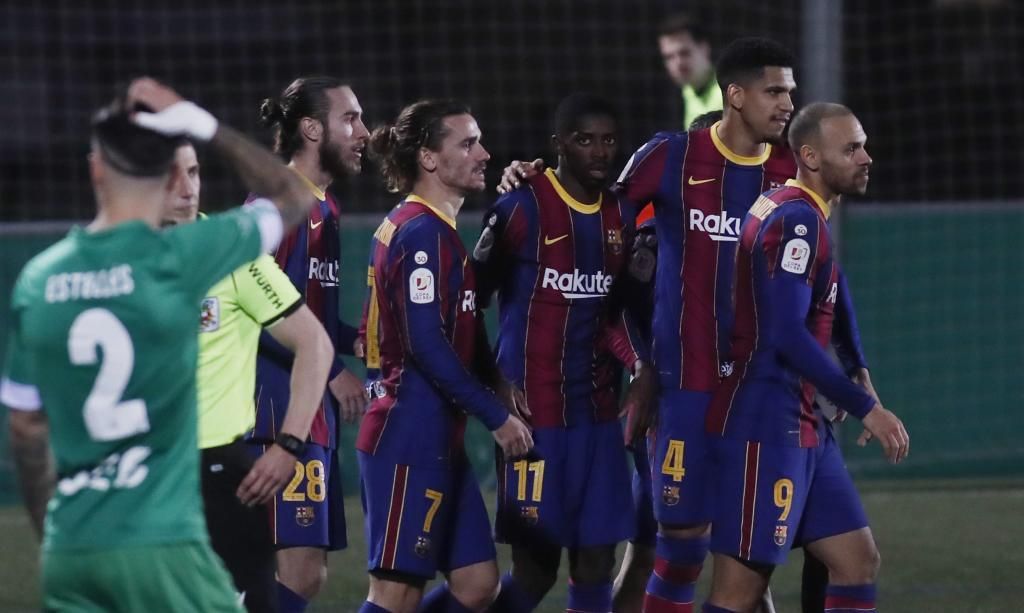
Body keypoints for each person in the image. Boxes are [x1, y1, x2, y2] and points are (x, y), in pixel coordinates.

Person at [499, 38, 799, 612]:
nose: (786, 103)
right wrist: (538, 181)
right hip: (671, 390)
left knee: (747, 555)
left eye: (790, 92)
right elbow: (596, 210)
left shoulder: (790, 171)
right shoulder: (666, 166)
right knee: (666, 545)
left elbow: (823, 276)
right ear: (735, 100)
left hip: (759, 393)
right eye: (775, 91)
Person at [1, 77, 314, 612]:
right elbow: (293, 195)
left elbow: (26, 427)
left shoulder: (39, 279)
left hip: (73, 548)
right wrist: (200, 123)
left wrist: (54, 531)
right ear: (168, 176)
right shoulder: (184, 258)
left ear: (96, 169)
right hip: (162, 541)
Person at [701, 102, 910, 613]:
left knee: (856, 561)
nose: (866, 158)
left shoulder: (792, 206)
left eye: (863, 145)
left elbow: (834, 288)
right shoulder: (797, 221)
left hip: (806, 424)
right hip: (766, 425)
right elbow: (786, 336)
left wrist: (857, 367)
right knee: (738, 593)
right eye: (851, 148)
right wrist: (866, 407)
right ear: (812, 157)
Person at [473, 93, 653, 613]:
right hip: (534, 419)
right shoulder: (520, 207)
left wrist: (641, 366)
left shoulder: (622, 214)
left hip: (597, 417)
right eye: (584, 140)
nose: (599, 151)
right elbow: (465, 303)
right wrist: (495, 381)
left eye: (608, 140)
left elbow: (619, 313)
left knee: (596, 560)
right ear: (559, 144)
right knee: (535, 570)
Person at [356, 99, 533, 613]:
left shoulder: (435, 229)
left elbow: (462, 326)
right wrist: (495, 416)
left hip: (438, 438)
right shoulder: (421, 234)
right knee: (395, 594)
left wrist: (496, 380)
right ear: (429, 158)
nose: (484, 153)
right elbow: (426, 344)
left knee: (477, 584)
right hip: (406, 437)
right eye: (468, 143)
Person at [161, 142, 333, 612]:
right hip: (146, 472)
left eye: (194, 172)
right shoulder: (120, 263)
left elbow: (315, 345)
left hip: (218, 471)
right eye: (172, 175)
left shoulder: (233, 252)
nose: (187, 188)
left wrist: (289, 444)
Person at [251, 75, 370, 612]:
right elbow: (254, 311)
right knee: (298, 572)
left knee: (304, 573)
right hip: (275, 412)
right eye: (350, 119)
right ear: (311, 128)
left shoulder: (326, 207)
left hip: (309, 412)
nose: (363, 132)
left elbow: (307, 313)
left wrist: (362, 339)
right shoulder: (278, 202)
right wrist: (333, 370)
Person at [612, 108, 723, 613]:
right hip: (670, 411)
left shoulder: (749, 233)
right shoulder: (655, 239)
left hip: (723, 408)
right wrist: (644, 370)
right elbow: (618, 310)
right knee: (657, 552)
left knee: (739, 559)